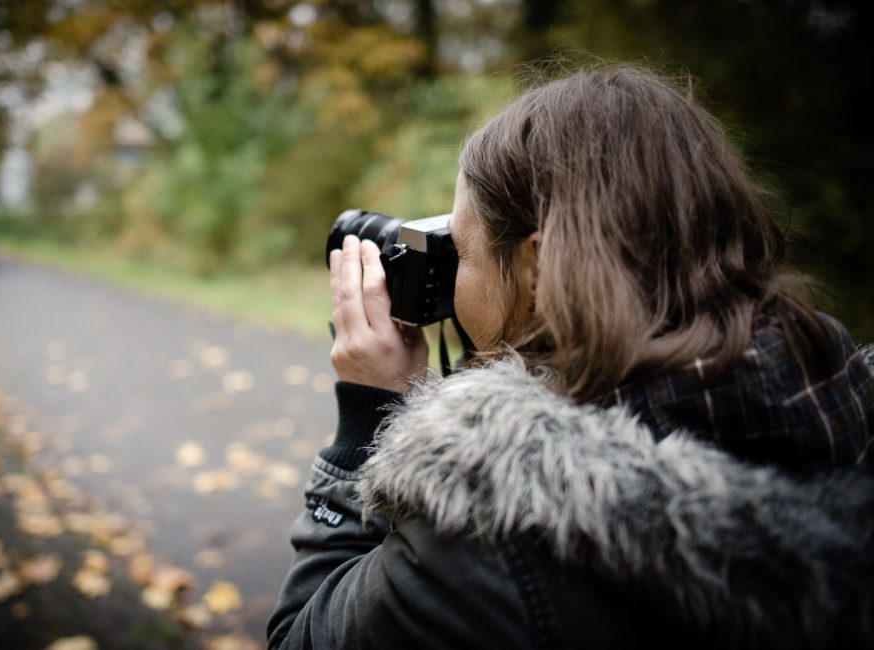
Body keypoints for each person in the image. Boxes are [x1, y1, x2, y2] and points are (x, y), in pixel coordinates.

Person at [267, 66, 874, 649]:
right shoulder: (840, 403)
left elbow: (299, 638)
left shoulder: (487, 541)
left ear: (536, 269)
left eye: (464, 249)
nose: (451, 271)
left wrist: (367, 426)